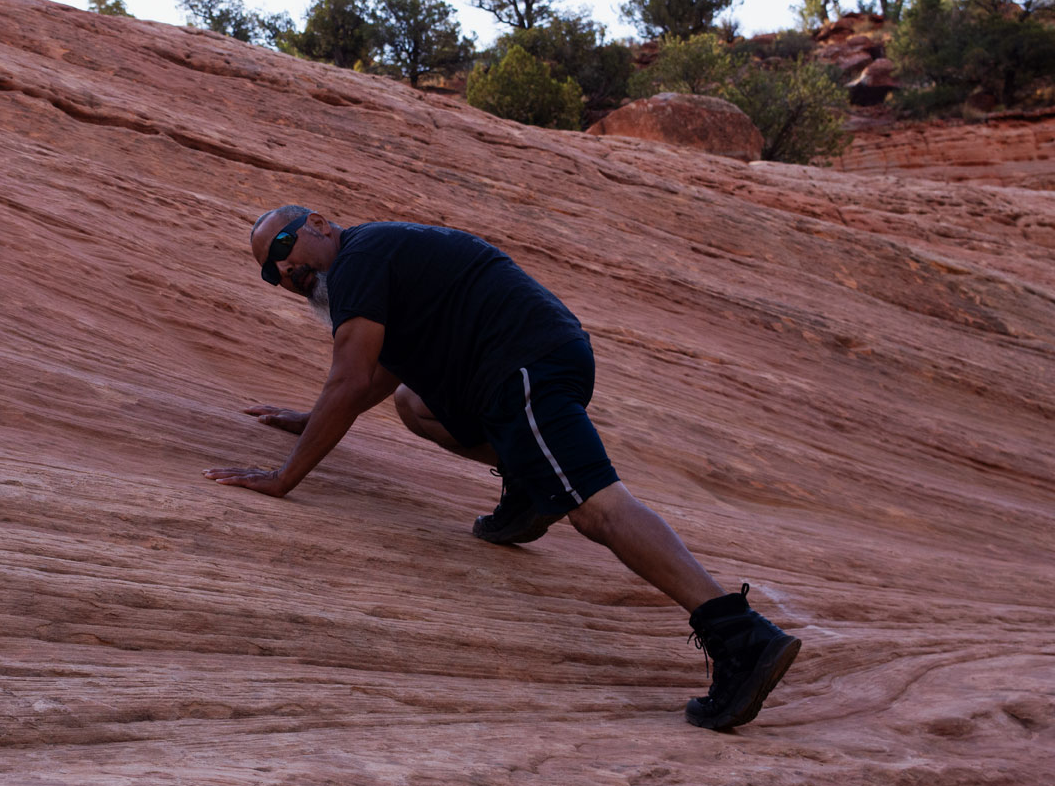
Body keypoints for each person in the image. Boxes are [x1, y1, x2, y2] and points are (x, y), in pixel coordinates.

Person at [203, 206, 800, 730]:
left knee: (598, 510)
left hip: (523, 367)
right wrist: (312, 420)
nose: (285, 270)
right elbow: (383, 373)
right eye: (270, 271)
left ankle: (741, 636)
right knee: (415, 404)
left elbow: (351, 378)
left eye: (284, 248)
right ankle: (529, 492)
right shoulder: (374, 256)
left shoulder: (357, 260)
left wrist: (284, 478)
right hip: (523, 362)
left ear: (319, 224)